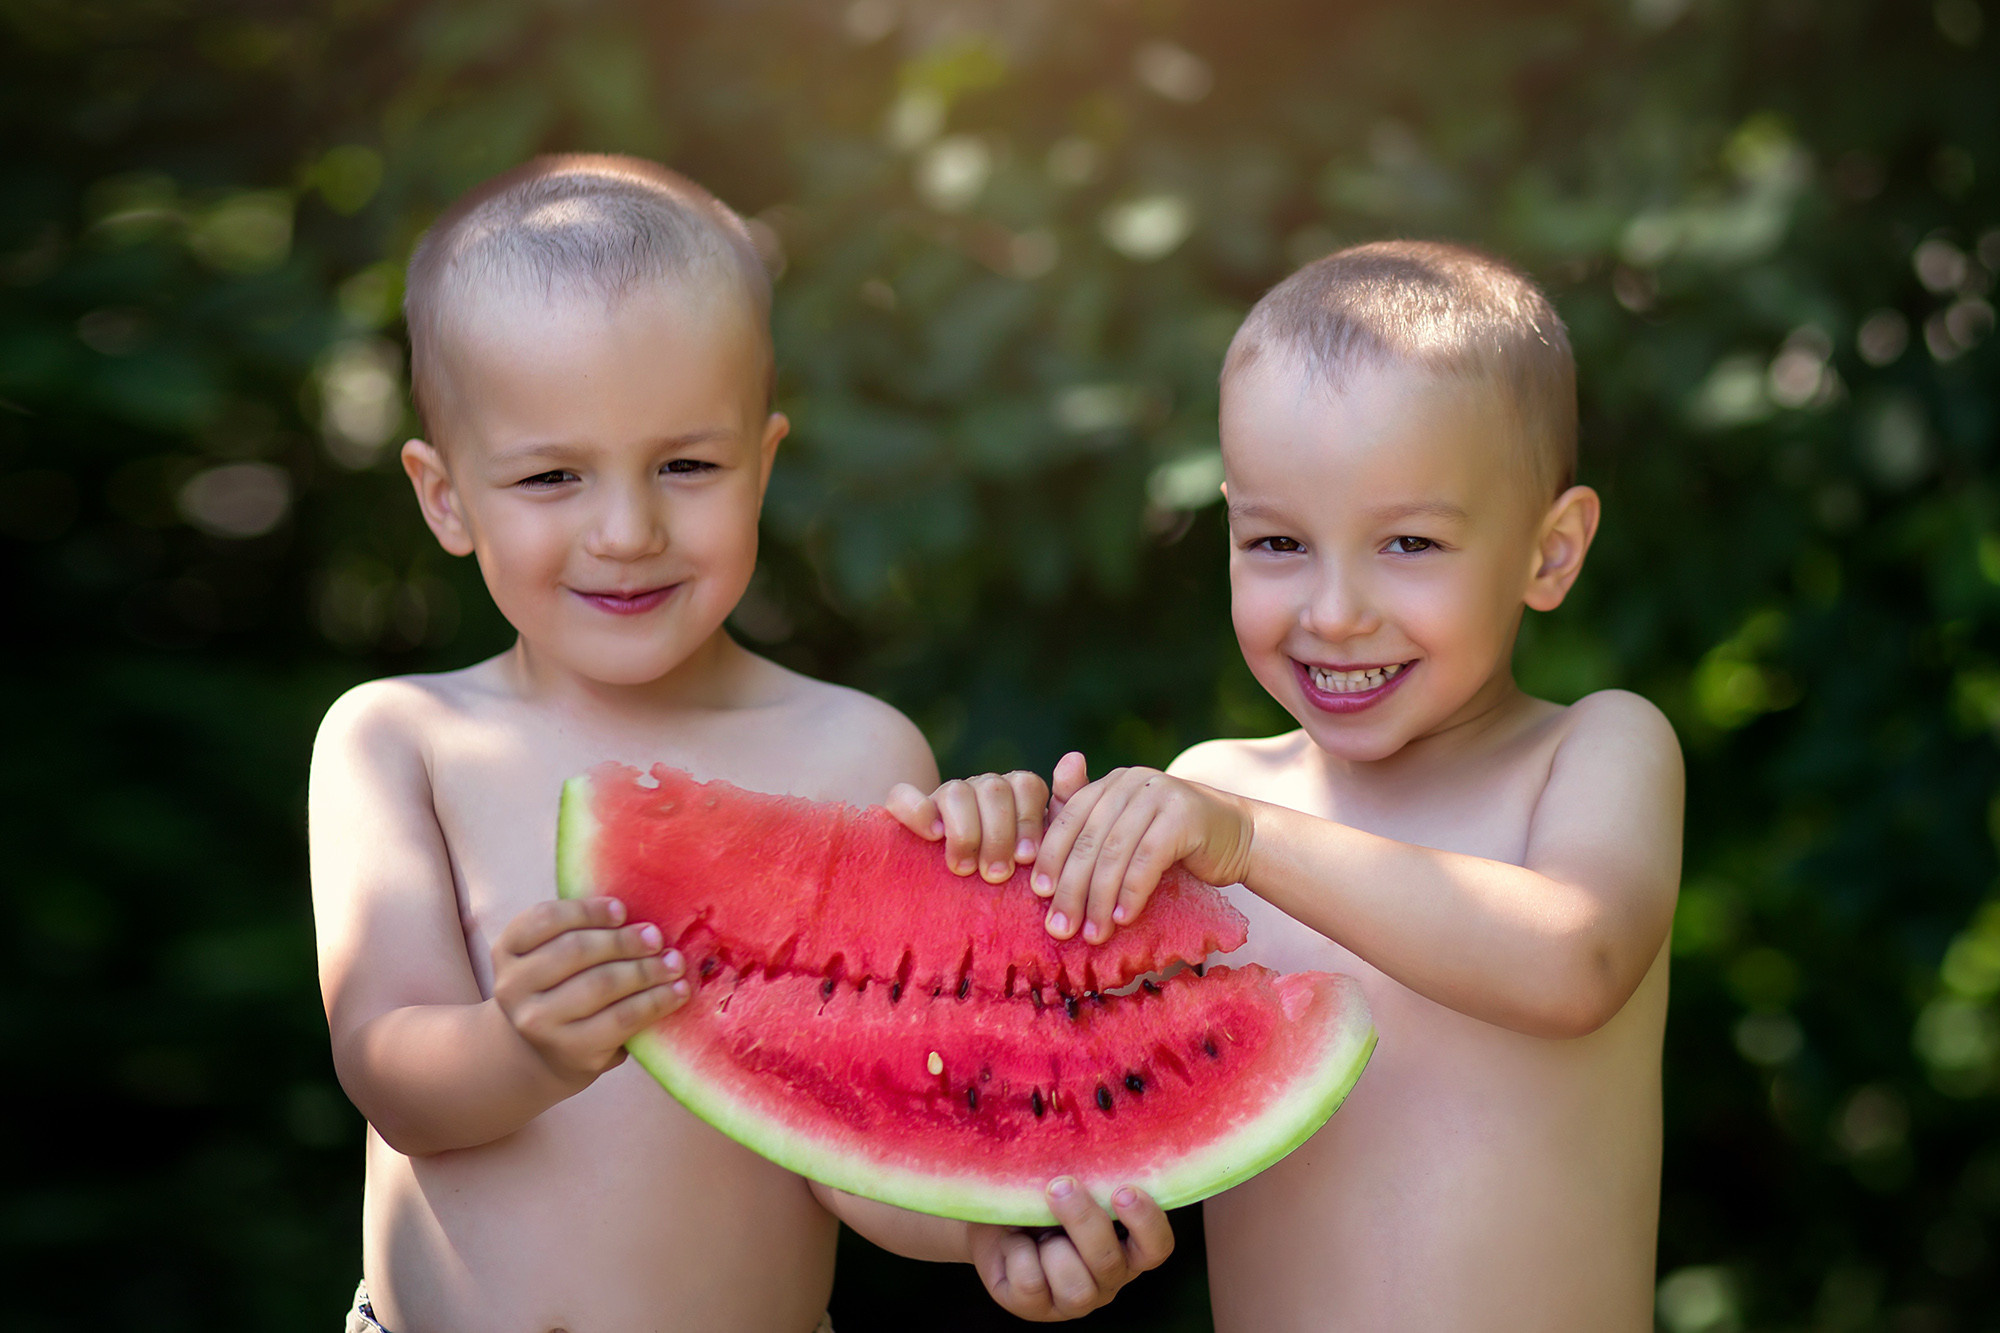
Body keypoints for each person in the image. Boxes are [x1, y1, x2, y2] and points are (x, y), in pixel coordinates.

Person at [308, 154, 1172, 1333]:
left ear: (761, 466)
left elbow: (854, 1141)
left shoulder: (853, 752)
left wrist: (999, 1224)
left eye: (687, 465)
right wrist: (524, 1049)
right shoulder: (399, 739)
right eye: (552, 474)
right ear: (445, 495)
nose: (627, 529)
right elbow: (389, 1068)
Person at [890, 241, 1683, 1331]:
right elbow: (1009, 1108)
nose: (1333, 610)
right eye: (1276, 542)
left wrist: (1246, 841)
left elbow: (1571, 960)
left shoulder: (1594, 750)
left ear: (1548, 553)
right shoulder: (1206, 792)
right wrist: (1011, 1232)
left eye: (1408, 541)